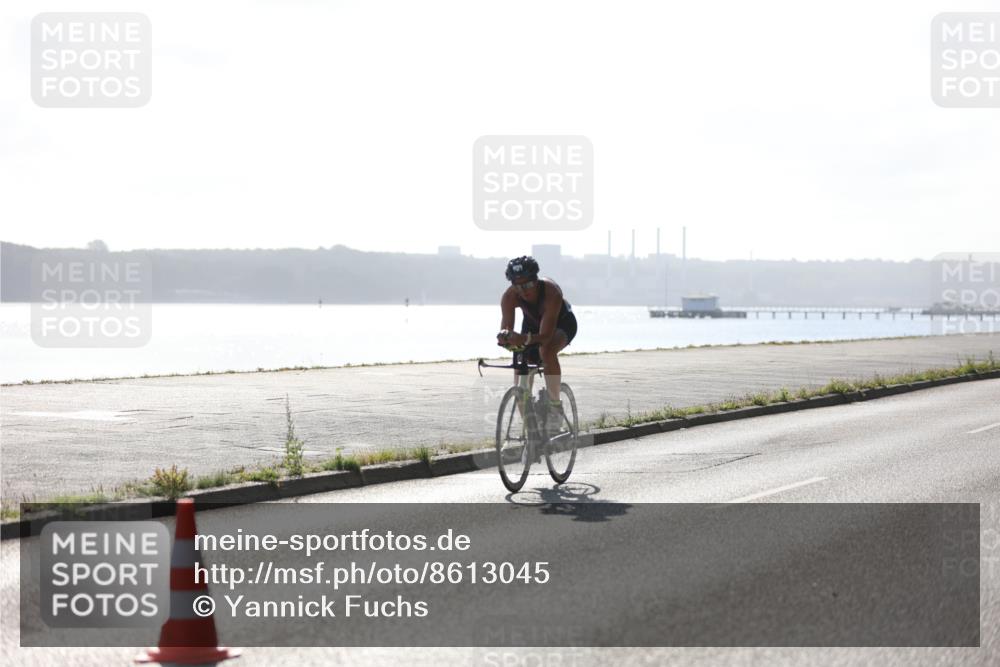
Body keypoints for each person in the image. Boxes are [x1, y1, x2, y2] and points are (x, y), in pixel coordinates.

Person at [496, 256, 577, 432]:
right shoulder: (509, 297)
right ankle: (531, 432)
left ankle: (555, 407)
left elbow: (546, 336)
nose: (523, 291)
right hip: (532, 324)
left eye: (527, 285)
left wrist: (524, 339)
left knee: (546, 351)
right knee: (520, 367)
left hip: (562, 323)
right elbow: (507, 331)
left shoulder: (551, 292)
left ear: (536, 280)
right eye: (518, 286)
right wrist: (506, 338)